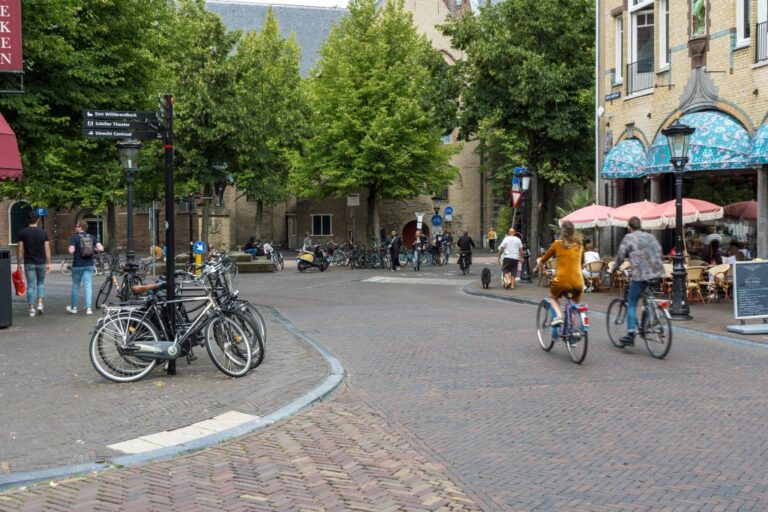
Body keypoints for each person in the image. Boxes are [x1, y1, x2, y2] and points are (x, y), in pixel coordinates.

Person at [611, 216, 665, 346]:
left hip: (640, 275)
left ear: (629, 227)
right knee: (649, 297)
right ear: (640, 226)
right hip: (656, 272)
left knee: (632, 303)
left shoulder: (629, 237)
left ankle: (630, 335)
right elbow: (659, 250)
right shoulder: (651, 237)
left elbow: (620, 256)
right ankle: (653, 322)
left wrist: (614, 269)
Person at [535, 220, 585, 327]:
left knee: (553, 297)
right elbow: (582, 262)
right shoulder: (579, 245)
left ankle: (558, 316)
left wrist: (537, 267)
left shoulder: (557, 244)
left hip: (562, 281)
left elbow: (545, 258)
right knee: (573, 306)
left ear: (562, 231)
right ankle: (573, 334)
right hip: (578, 282)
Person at [16, 211, 51, 317]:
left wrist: (19, 264)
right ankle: (40, 304)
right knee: (41, 283)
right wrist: (48, 263)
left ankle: (31, 309)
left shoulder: (22, 233)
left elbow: (20, 250)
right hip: (41, 262)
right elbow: (47, 249)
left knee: (30, 286)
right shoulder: (43, 233)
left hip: (29, 262)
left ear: (27, 220)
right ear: (38, 220)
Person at [67, 220, 104, 315]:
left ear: (81, 227)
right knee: (88, 286)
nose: (75, 227)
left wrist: (72, 248)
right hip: (89, 264)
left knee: (75, 286)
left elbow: (71, 250)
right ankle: (89, 309)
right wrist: (93, 249)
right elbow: (101, 248)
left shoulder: (74, 237)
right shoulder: (91, 237)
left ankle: (74, 308)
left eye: (77, 226)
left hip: (77, 265)